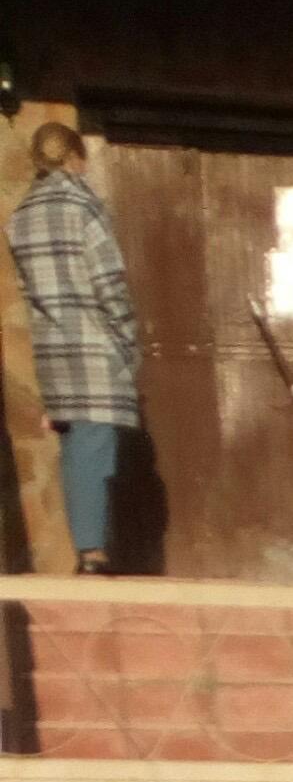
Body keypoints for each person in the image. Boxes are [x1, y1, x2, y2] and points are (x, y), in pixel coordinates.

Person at [6, 123, 141, 576]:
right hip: (93, 342)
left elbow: (30, 289)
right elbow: (109, 283)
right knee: (95, 445)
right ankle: (93, 554)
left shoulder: (20, 218)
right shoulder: (84, 207)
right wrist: (127, 335)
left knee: (75, 445)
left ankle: (90, 547)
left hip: (52, 346)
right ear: (74, 158)